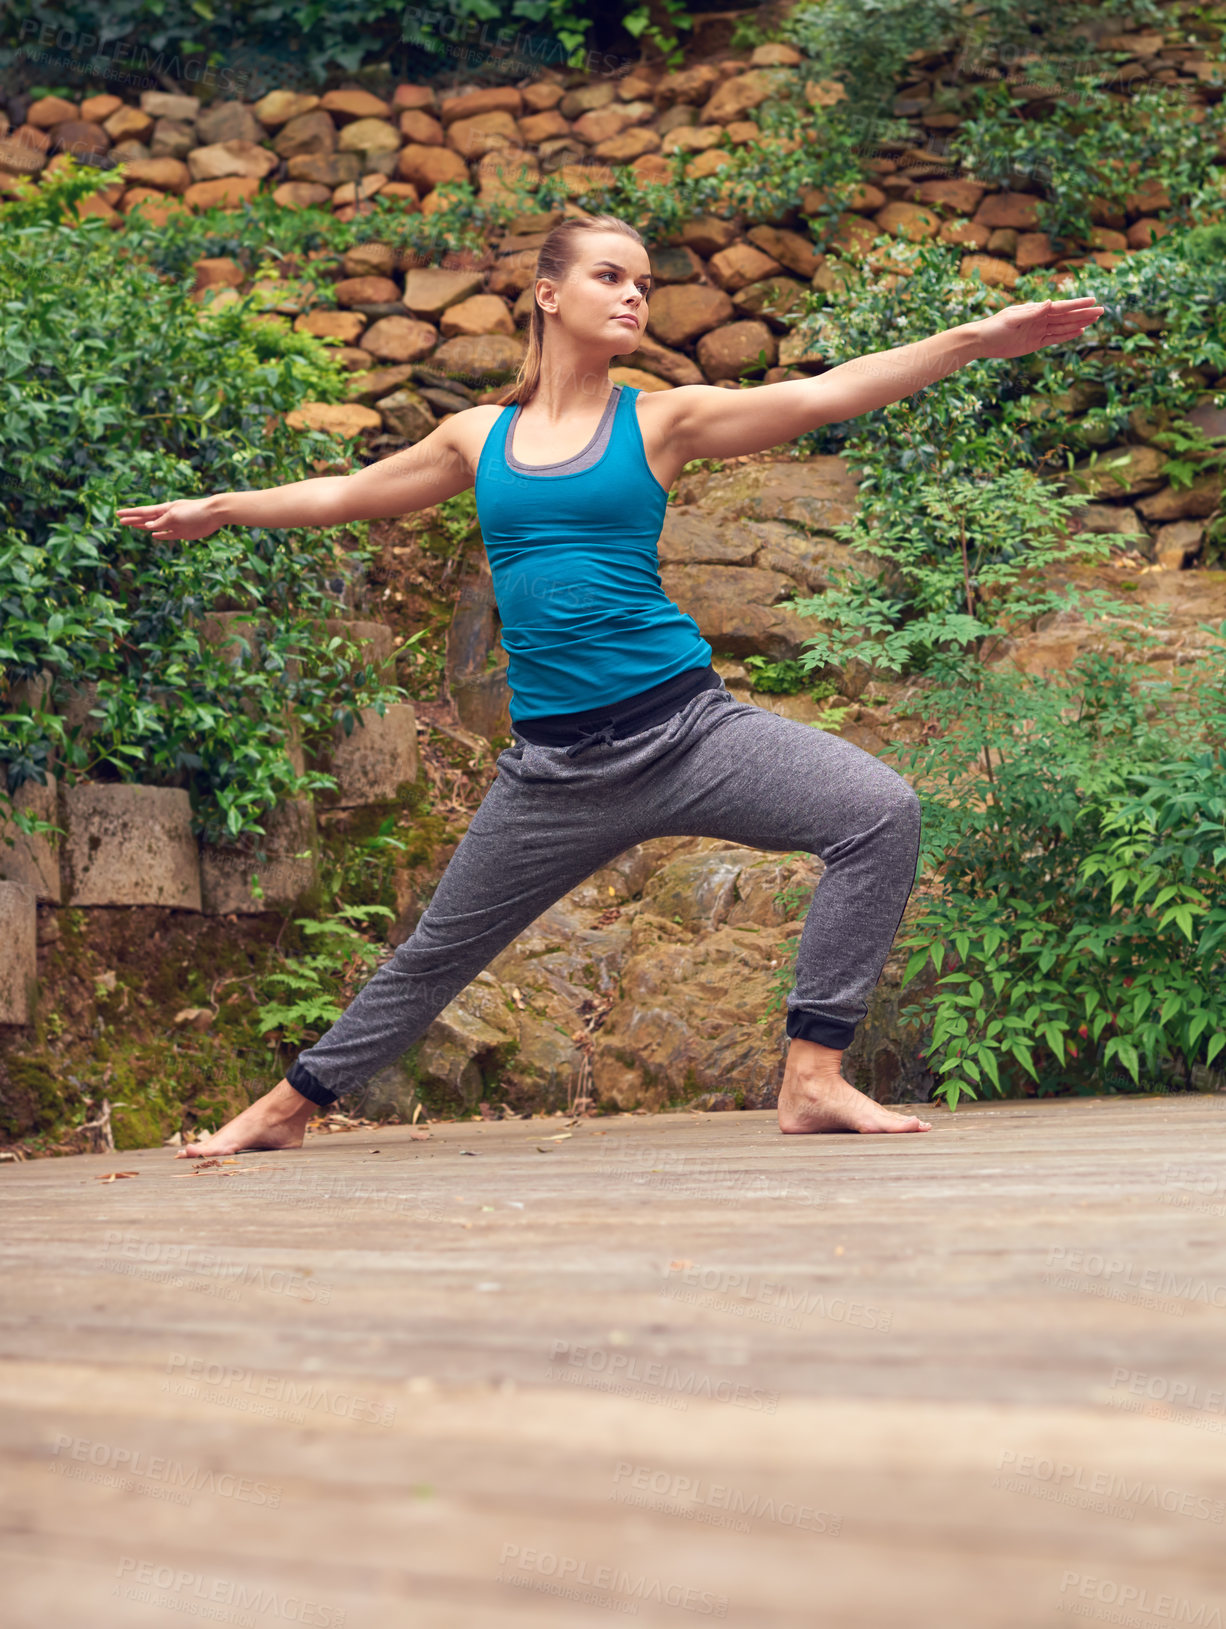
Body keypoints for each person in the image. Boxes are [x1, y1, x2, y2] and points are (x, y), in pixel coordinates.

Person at [117, 211, 1103, 1153]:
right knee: (435, 952)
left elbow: (827, 393)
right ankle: (289, 1105)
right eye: (609, 276)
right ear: (547, 295)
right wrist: (223, 506)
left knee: (877, 811)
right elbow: (346, 492)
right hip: (552, 771)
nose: (635, 295)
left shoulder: (664, 420)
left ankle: (811, 1078)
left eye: (644, 283)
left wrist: (976, 335)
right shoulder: (475, 437)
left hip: (687, 732)